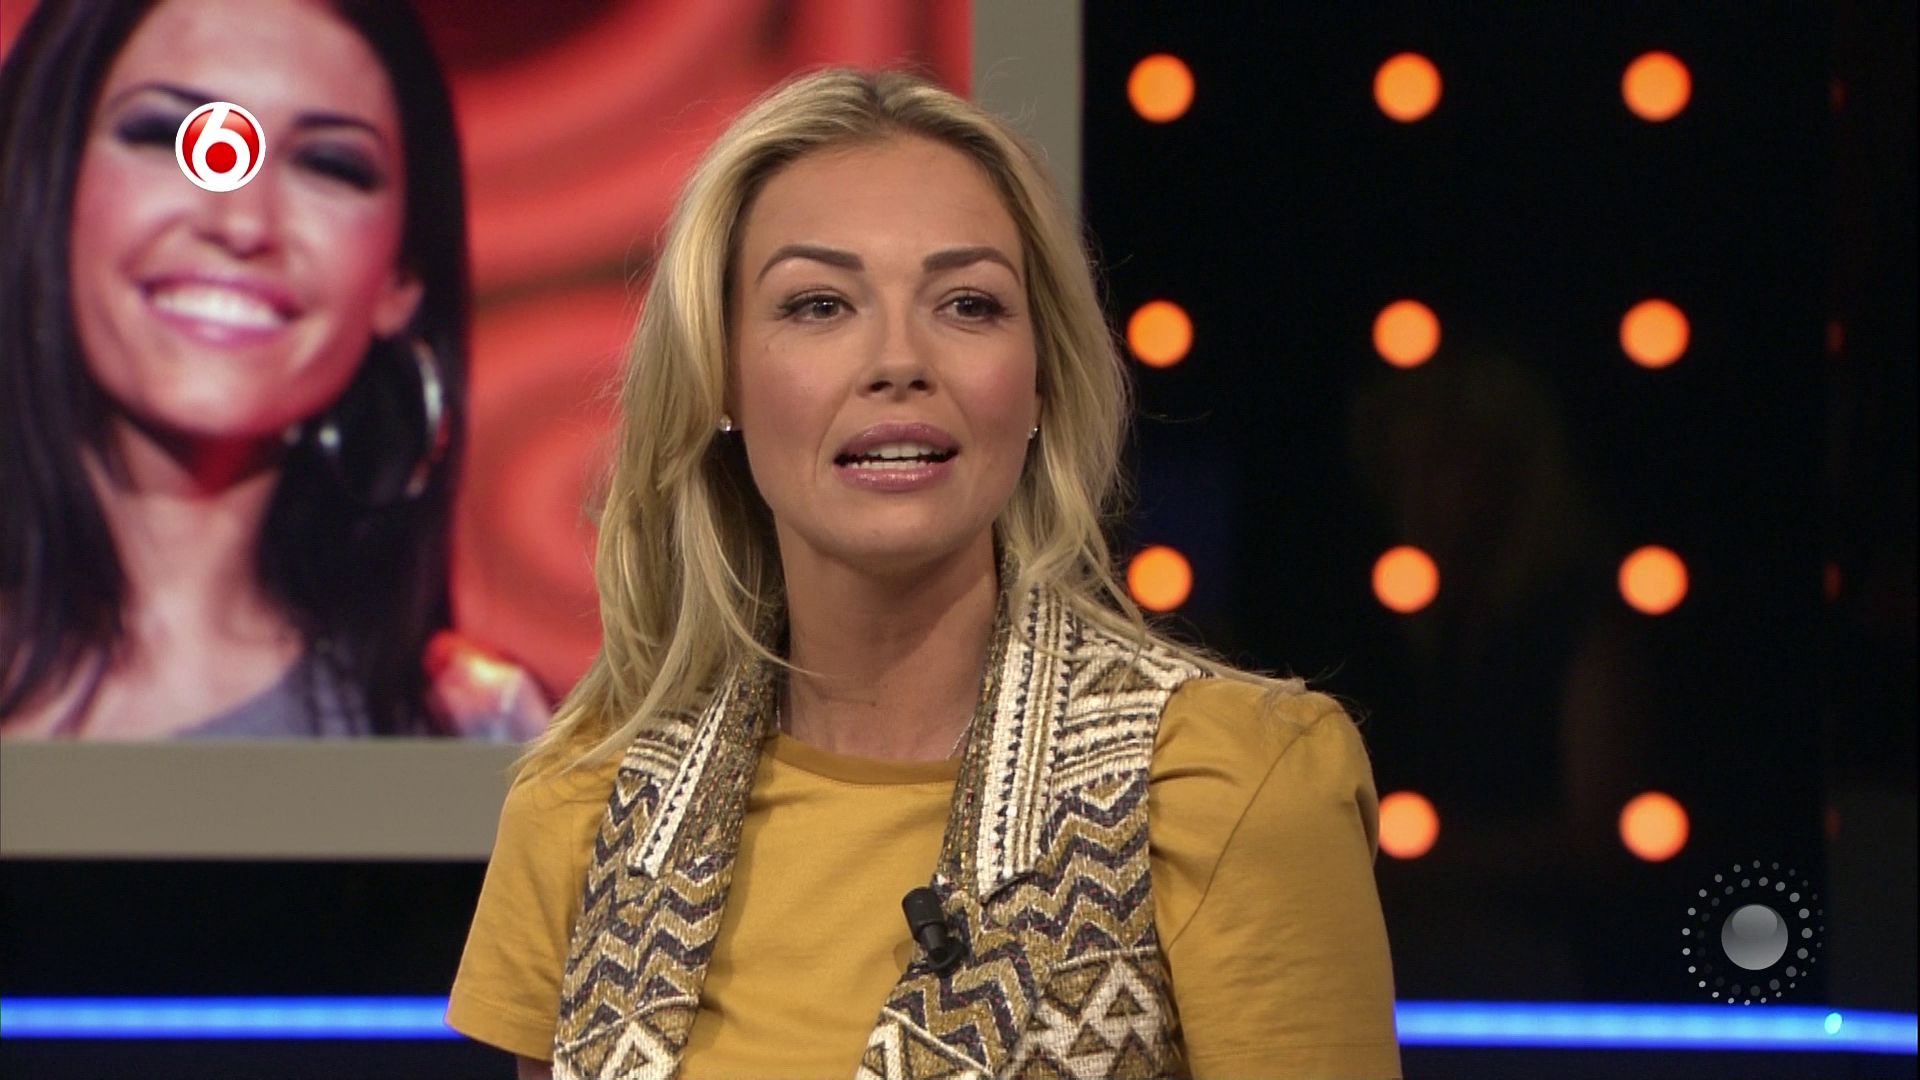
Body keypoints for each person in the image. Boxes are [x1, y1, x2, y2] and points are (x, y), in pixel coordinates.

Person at [448, 69, 1401, 1078]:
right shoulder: (588, 804)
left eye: (968, 304)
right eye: (819, 304)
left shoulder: (1232, 782)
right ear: (721, 376)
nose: (898, 360)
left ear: (1039, 382)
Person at [0, 0, 547, 739]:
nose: (242, 224)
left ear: (401, 279)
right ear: (44, 186)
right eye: (171, 136)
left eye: (328, 165)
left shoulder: (470, 735)